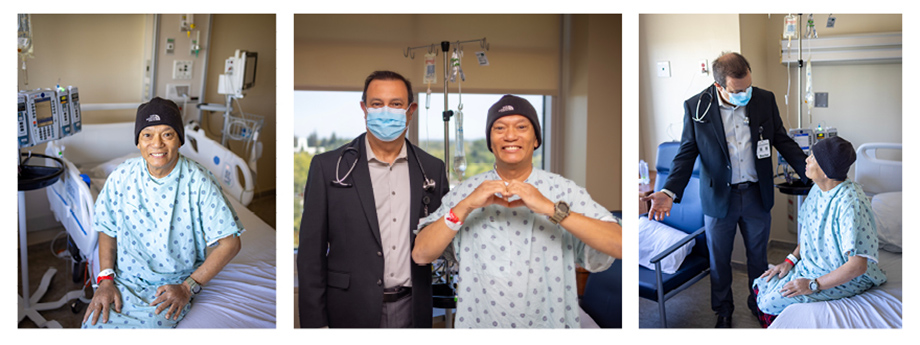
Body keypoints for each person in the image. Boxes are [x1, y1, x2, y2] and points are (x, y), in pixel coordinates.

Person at [413, 95, 622, 328]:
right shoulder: (466, 193)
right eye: (500, 128)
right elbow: (421, 254)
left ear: (536, 140)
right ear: (490, 142)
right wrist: (465, 206)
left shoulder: (564, 191)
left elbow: (621, 245)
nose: (510, 135)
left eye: (521, 127)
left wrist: (550, 208)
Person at [641, 52, 807, 328]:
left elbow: (781, 139)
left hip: (756, 193)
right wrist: (668, 191)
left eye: (748, 87)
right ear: (719, 86)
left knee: (758, 258)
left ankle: (759, 304)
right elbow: (685, 153)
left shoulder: (764, 99)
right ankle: (723, 311)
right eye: (738, 90)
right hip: (719, 198)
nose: (746, 94)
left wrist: (811, 172)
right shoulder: (696, 107)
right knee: (719, 261)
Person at [297, 70, 449, 328]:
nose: (386, 111)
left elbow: (442, 239)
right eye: (377, 104)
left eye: (396, 104)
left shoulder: (431, 169)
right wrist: (315, 326)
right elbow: (311, 254)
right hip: (349, 307)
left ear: (410, 111)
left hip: (413, 306)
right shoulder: (328, 167)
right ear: (364, 109)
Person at [83, 97, 243, 328]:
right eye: (147, 135)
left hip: (172, 285)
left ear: (179, 140)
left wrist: (188, 287)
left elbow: (231, 244)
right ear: (138, 142)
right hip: (123, 279)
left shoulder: (198, 182)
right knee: (92, 325)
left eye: (167, 134)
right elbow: (107, 228)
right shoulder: (121, 177)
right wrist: (105, 279)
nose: (157, 144)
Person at [751, 136, 886, 327]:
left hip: (845, 275)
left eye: (812, 157)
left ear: (826, 170)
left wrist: (813, 284)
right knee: (762, 284)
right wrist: (789, 261)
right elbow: (810, 235)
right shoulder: (817, 190)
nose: (806, 159)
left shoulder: (850, 203)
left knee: (770, 302)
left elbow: (857, 266)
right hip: (813, 264)